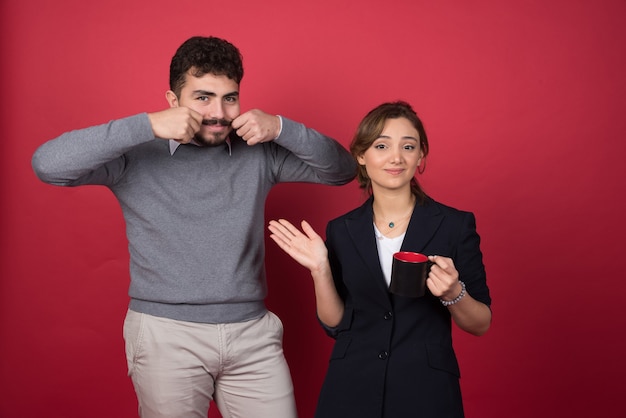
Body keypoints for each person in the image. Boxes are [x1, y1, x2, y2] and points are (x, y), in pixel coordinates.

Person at [31, 36, 356, 418]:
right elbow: (48, 165)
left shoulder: (258, 151)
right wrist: (146, 125)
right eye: (202, 97)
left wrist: (282, 127)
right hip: (165, 335)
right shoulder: (135, 156)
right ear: (173, 101)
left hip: (252, 333)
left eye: (229, 98)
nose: (218, 113)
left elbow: (342, 171)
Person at [268, 101, 492, 418]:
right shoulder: (342, 230)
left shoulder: (455, 225)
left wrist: (453, 293)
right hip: (350, 387)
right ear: (361, 155)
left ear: (421, 156)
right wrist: (320, 269)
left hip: (426, 390)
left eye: (408, 146)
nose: (396, 157)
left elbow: (480, 323)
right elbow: (335, 324)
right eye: (381, 145)